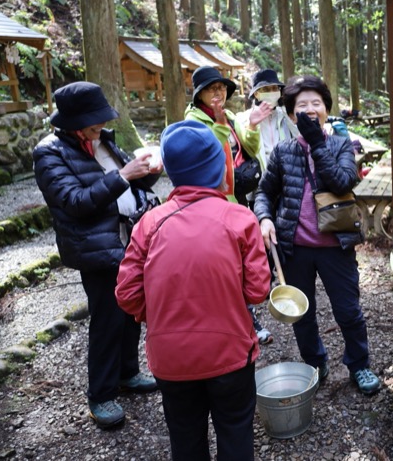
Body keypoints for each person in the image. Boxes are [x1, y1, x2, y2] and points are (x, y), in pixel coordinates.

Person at [116, 120, 271, 461]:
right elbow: (258, 290)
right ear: (219, 168)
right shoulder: (239, 218)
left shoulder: (149, 223)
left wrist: (159, 314)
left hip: (170, 359)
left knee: (185, 438)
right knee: (235, 431)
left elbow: (126, 293)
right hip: (230, 353)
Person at [32, 82, 161, 429]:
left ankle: (128, 374)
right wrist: (122, 176)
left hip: (128, 241)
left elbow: (130, 184)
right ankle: (101, 395)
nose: (99, 127)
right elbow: (75, 203)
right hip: (96, 249)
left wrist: (149, 173)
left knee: (132, 312)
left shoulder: (102, 139)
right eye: (93, 122)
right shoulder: (50, 153)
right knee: (106, 320)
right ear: (73, 123)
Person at [253, 75, 381, 396]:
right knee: (302, 313)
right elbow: (264, 192)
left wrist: (319, 143)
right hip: (294, 248)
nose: (310, 110)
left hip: (335, 245)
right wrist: (264, 218)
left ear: (326, 109)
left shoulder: (342, 145)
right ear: (292, 115)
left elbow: (341, 181)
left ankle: (359, 364)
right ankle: (315, 361)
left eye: (316, 104)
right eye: (302, 106)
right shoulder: (283, 152)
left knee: (348, 310)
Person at [186, 65, 274, 345]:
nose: (218, 93)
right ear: (200, 95)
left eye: (222, 88)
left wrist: (252, 125)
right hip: (212, 202)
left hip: (237, 198)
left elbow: (248, 147)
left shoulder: (232, 116)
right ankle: (240, 321)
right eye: (212, 89)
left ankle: (244, 317)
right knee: (225, 264)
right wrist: (222, 125)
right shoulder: (193, 121)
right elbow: (207, 153)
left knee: (240, 260)